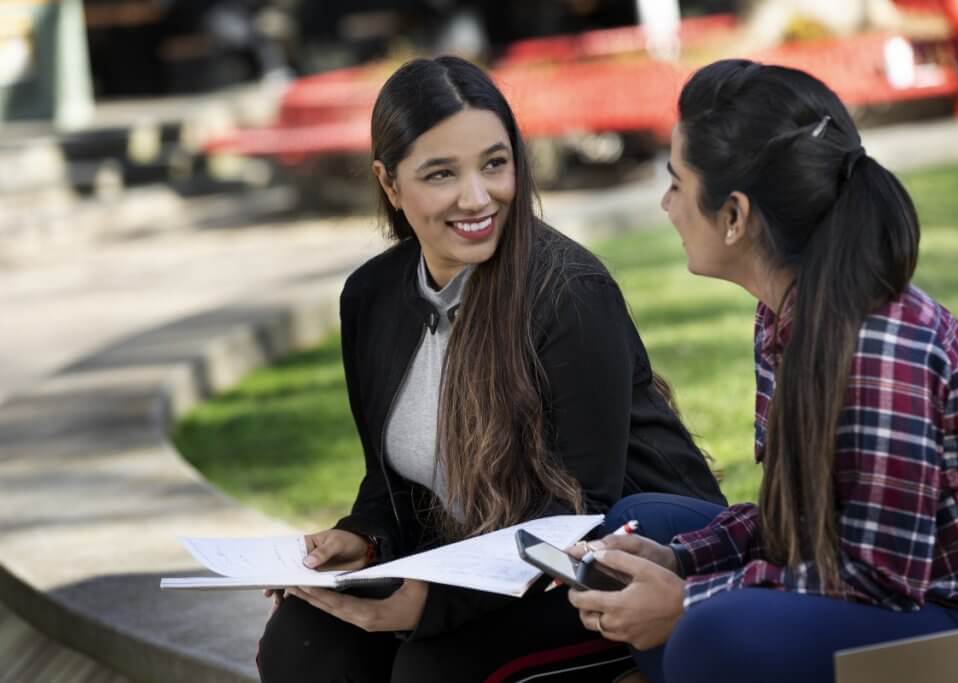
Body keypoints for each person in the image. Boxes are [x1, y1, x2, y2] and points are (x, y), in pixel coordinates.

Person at [256, 55, 725, 683]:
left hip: (611, 564)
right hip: (466, 565)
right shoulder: (371, 298)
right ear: (391, 185)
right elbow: (392, 483)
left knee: (434, 670)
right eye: (441, 173)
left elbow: (578, 510)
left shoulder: (569, 292)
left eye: (495, 164)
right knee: (305, 641)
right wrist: (362, 540)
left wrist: (434, 604)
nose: (477, 197)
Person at [566, 58, 958, 683]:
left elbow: (875, 577)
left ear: (734, 215)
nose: (666, 203)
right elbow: (808, 523)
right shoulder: (785, 313)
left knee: (708, 635)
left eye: (676, 182)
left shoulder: (879, 342)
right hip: (887, 590)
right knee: (643, 525)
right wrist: (678, 560)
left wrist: (689, 602)